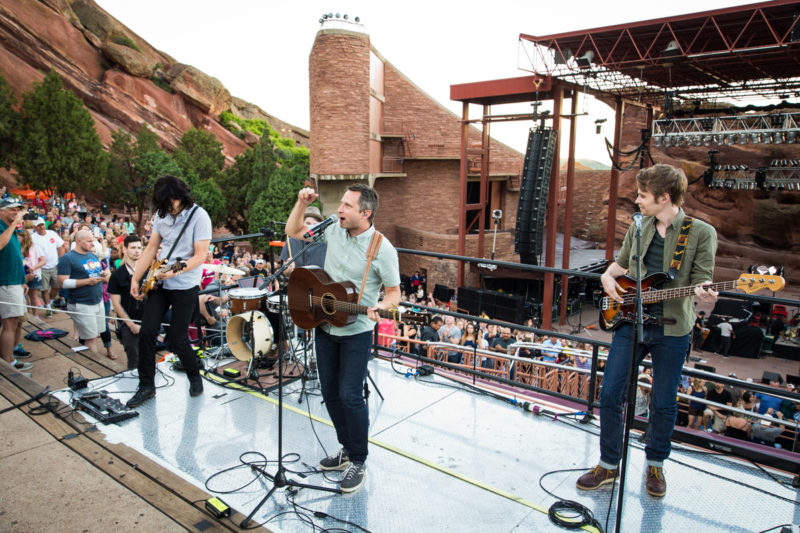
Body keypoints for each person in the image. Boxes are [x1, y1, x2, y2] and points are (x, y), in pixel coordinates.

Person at [576, 164, 718, 498]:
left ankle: (655, 463)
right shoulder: (639, 226)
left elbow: (703, 278)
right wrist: (608, 277)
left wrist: (704, 290)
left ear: (664, 198)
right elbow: (620, 263)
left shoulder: (700, 233)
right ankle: (609, 465)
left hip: (673, 328)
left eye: (642, 195)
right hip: (631, 322)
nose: (637, 201)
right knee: (610, 392)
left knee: (665, 402)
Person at [286, 183, 400, 493]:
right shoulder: (333, 229)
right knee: (331, 393)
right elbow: (294, 232)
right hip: (324, 325)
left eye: (347, 205)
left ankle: (359, 460)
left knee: (351, 395)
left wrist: (382, 306)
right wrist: (300, 202)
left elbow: (393, 294)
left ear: (366, 213)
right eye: (341, 203)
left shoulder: (382, 248)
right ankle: (346, 449)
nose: (339, 209)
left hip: (356, 332)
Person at [126, 175, 212, 408]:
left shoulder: (199, 216)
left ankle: (194, 375)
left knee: (177, 338)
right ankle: (146, 386)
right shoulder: (162, 215)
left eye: (170, 203)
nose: (167, 208)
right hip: (160, 282)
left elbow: (200, 255)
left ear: (180, 197)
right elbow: (152, 247)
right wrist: (136, 277)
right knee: (146, 333)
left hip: (184, 284)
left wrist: (174, 271)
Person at [57, 229, 110, 353]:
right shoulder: (68, 258)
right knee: (90, 338)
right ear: (78, 241)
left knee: (95, 335)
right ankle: (95, 366)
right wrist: (87, 282)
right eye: (89, 241)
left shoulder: (92, 255)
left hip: (97, 301)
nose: (93, 244)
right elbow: (62, 282)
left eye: (93, 240)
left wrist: (102, 274)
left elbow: (94, 274)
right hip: (82, 303)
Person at [0, 197, 33, 375]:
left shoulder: (10, 229)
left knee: (13, 323)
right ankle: (7, 364)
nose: (16, 213)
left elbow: (14, 258)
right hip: (5, 283)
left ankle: (10, 360)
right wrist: (14, 224)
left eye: (18, 209)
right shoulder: (4, 227)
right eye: (12, 209)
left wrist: (22, 280)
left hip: (14, 281)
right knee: (9, 324)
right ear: (1, 211)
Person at [108, 235, 145, 370]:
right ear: (125, 249)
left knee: (148, 358)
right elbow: (116, 304)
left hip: (147, 322)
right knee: (134, 361)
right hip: (128, 324)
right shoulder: (117, 275)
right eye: (133, 247)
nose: (137, 251)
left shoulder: (147, 271)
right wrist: (131, 324)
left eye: (139, 248)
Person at [31, 217, 64, 315]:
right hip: (42, 267)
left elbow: (60, 247)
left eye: (42, 224)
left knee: (57, 286)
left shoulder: (52, 233)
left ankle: (50, 302)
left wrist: (61, 261)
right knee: (44, 288)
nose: (41, 227)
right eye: (38, 225)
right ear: (35, 227)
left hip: (55, 265)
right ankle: (48, 307)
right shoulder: (33, 237)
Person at [279, 205, 328, 273]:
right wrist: (288, 270)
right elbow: (285, 272)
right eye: (308, 223)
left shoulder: (325, 243)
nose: (311, 227)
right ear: (301, 223)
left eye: (314, 224)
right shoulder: (291, 242)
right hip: (297, 282)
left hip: (320, 282)